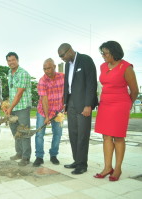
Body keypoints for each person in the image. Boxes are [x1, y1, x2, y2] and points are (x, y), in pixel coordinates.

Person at [94, 41, 138, 181]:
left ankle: (117, 168)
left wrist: (127, 104)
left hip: (120, 104)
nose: (103, 56)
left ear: (114, 52)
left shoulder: (126, 67)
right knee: (106, 136)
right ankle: (108, 167)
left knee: (118, 137)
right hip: (105, 103)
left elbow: (135, 90)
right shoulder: (102, 66)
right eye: (102, 53)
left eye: (105, 53)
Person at [58, 43, 98, 174]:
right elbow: (67, 86)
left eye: (62, 55)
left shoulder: (85, 60)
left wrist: (89, 104)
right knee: (73, 133)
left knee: (82, 135)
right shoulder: (67, 65)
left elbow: (91, 83)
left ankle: (82, 164)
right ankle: (76, 160)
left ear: (69, 51)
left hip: (83, 105)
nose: (61, 58)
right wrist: (65, 103)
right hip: (71, 104)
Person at [33, 58, 64, 167]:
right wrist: (46, 117)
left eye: (49, 68)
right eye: (45, 69)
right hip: (43, 111)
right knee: (39, 134)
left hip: (58, 111)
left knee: (58, 133)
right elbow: (44, 99)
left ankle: (53, 155)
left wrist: (64, 107)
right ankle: (39, 157)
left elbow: (66, 93)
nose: (47, 71)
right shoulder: (42, 81)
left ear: (54, 67)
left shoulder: (62, 77)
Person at [5, 52, 32, 166]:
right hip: (12, 107)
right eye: (9, 60)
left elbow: (19, 93)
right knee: (16, 131)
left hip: (22, 107)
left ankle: (26, 157)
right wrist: (8, 106)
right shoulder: (9, 73)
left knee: (24, 131)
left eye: (13, 60)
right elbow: (11, 92)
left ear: (17, 60)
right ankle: (19, 153)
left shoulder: (23, 73)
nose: (11, 62)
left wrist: (10, 108)